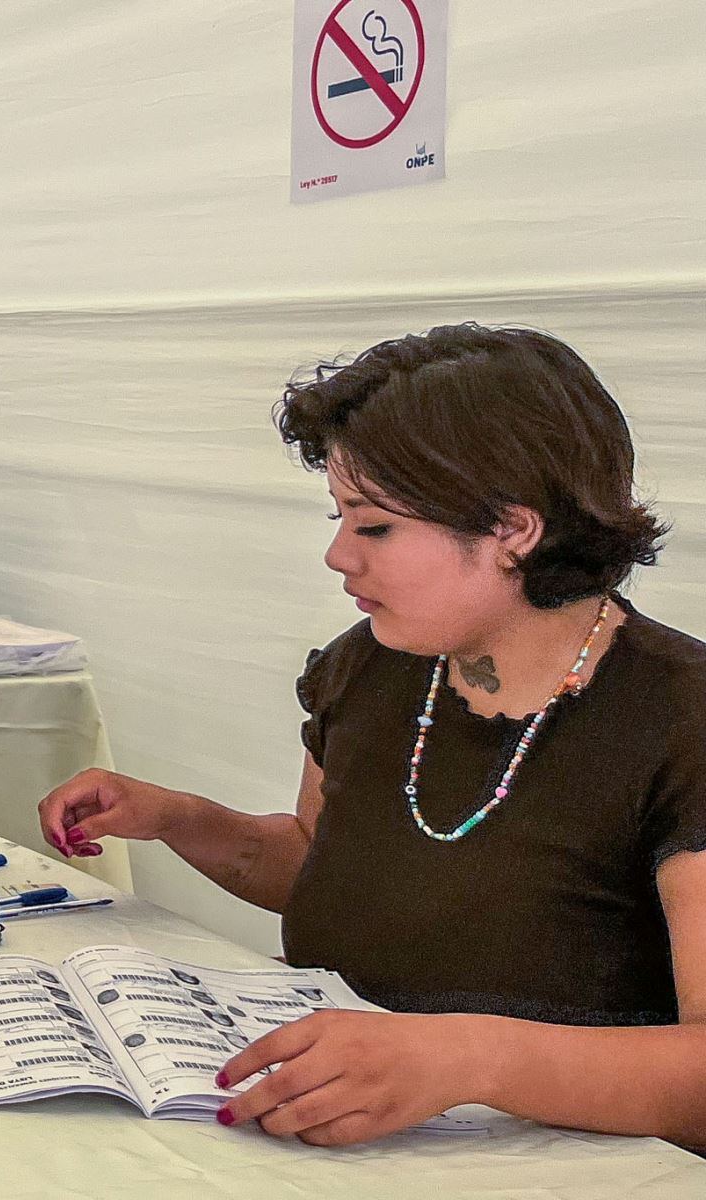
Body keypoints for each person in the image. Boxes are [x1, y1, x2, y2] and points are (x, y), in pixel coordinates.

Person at [41, 324, 706, 1147]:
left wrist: (470, 1058)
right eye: (339, 517)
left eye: (374, 526)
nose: (336, 555)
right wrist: (179, 818)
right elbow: (328, 871)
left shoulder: (683, 717)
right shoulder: (374, 666)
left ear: (514, 530)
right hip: (344, 1139)